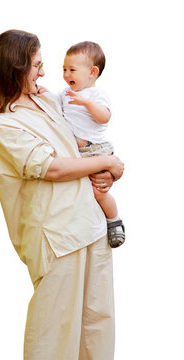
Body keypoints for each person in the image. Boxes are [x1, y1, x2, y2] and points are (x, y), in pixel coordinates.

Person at [0, 30, 124, 360]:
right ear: (15, 69)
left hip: (91, 225)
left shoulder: (45, 99)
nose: (44, 73)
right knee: (55, 337)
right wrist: (108, 161)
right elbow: (52, 167)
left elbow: (75, 144)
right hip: (57, 238)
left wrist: (108, 168)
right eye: (37, 65)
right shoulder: (2, 124)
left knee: (96, 329)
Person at [59, 41, 125, 248]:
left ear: (92, 72)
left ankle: (114, 221)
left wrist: (86, 103)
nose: (67, 74)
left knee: (99, 191)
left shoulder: (96, 95)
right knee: (81, 192)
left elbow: (104, 117)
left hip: (96, 149)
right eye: (64, 69)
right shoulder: (64, 94)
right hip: (77, 153)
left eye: (72, 70)